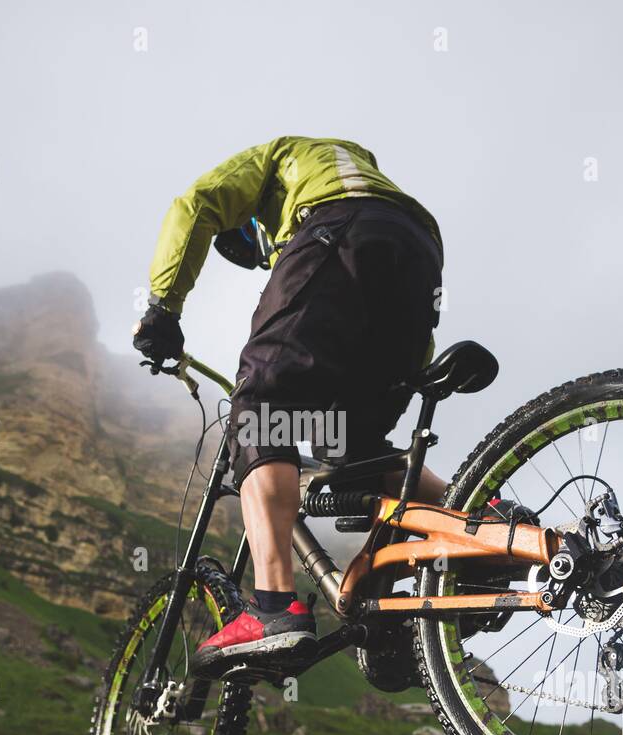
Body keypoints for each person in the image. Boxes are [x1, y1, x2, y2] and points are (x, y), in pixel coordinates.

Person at [133, 136, 446, 676]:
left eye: (250, 244)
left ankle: (272, 609)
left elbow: (196, 203)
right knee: (351, 445)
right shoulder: (372, 180)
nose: (263, 255)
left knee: (260, 411)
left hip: (341, 231)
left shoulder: (278, 158)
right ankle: (486, 519)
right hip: (418, 256)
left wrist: (163, 307)